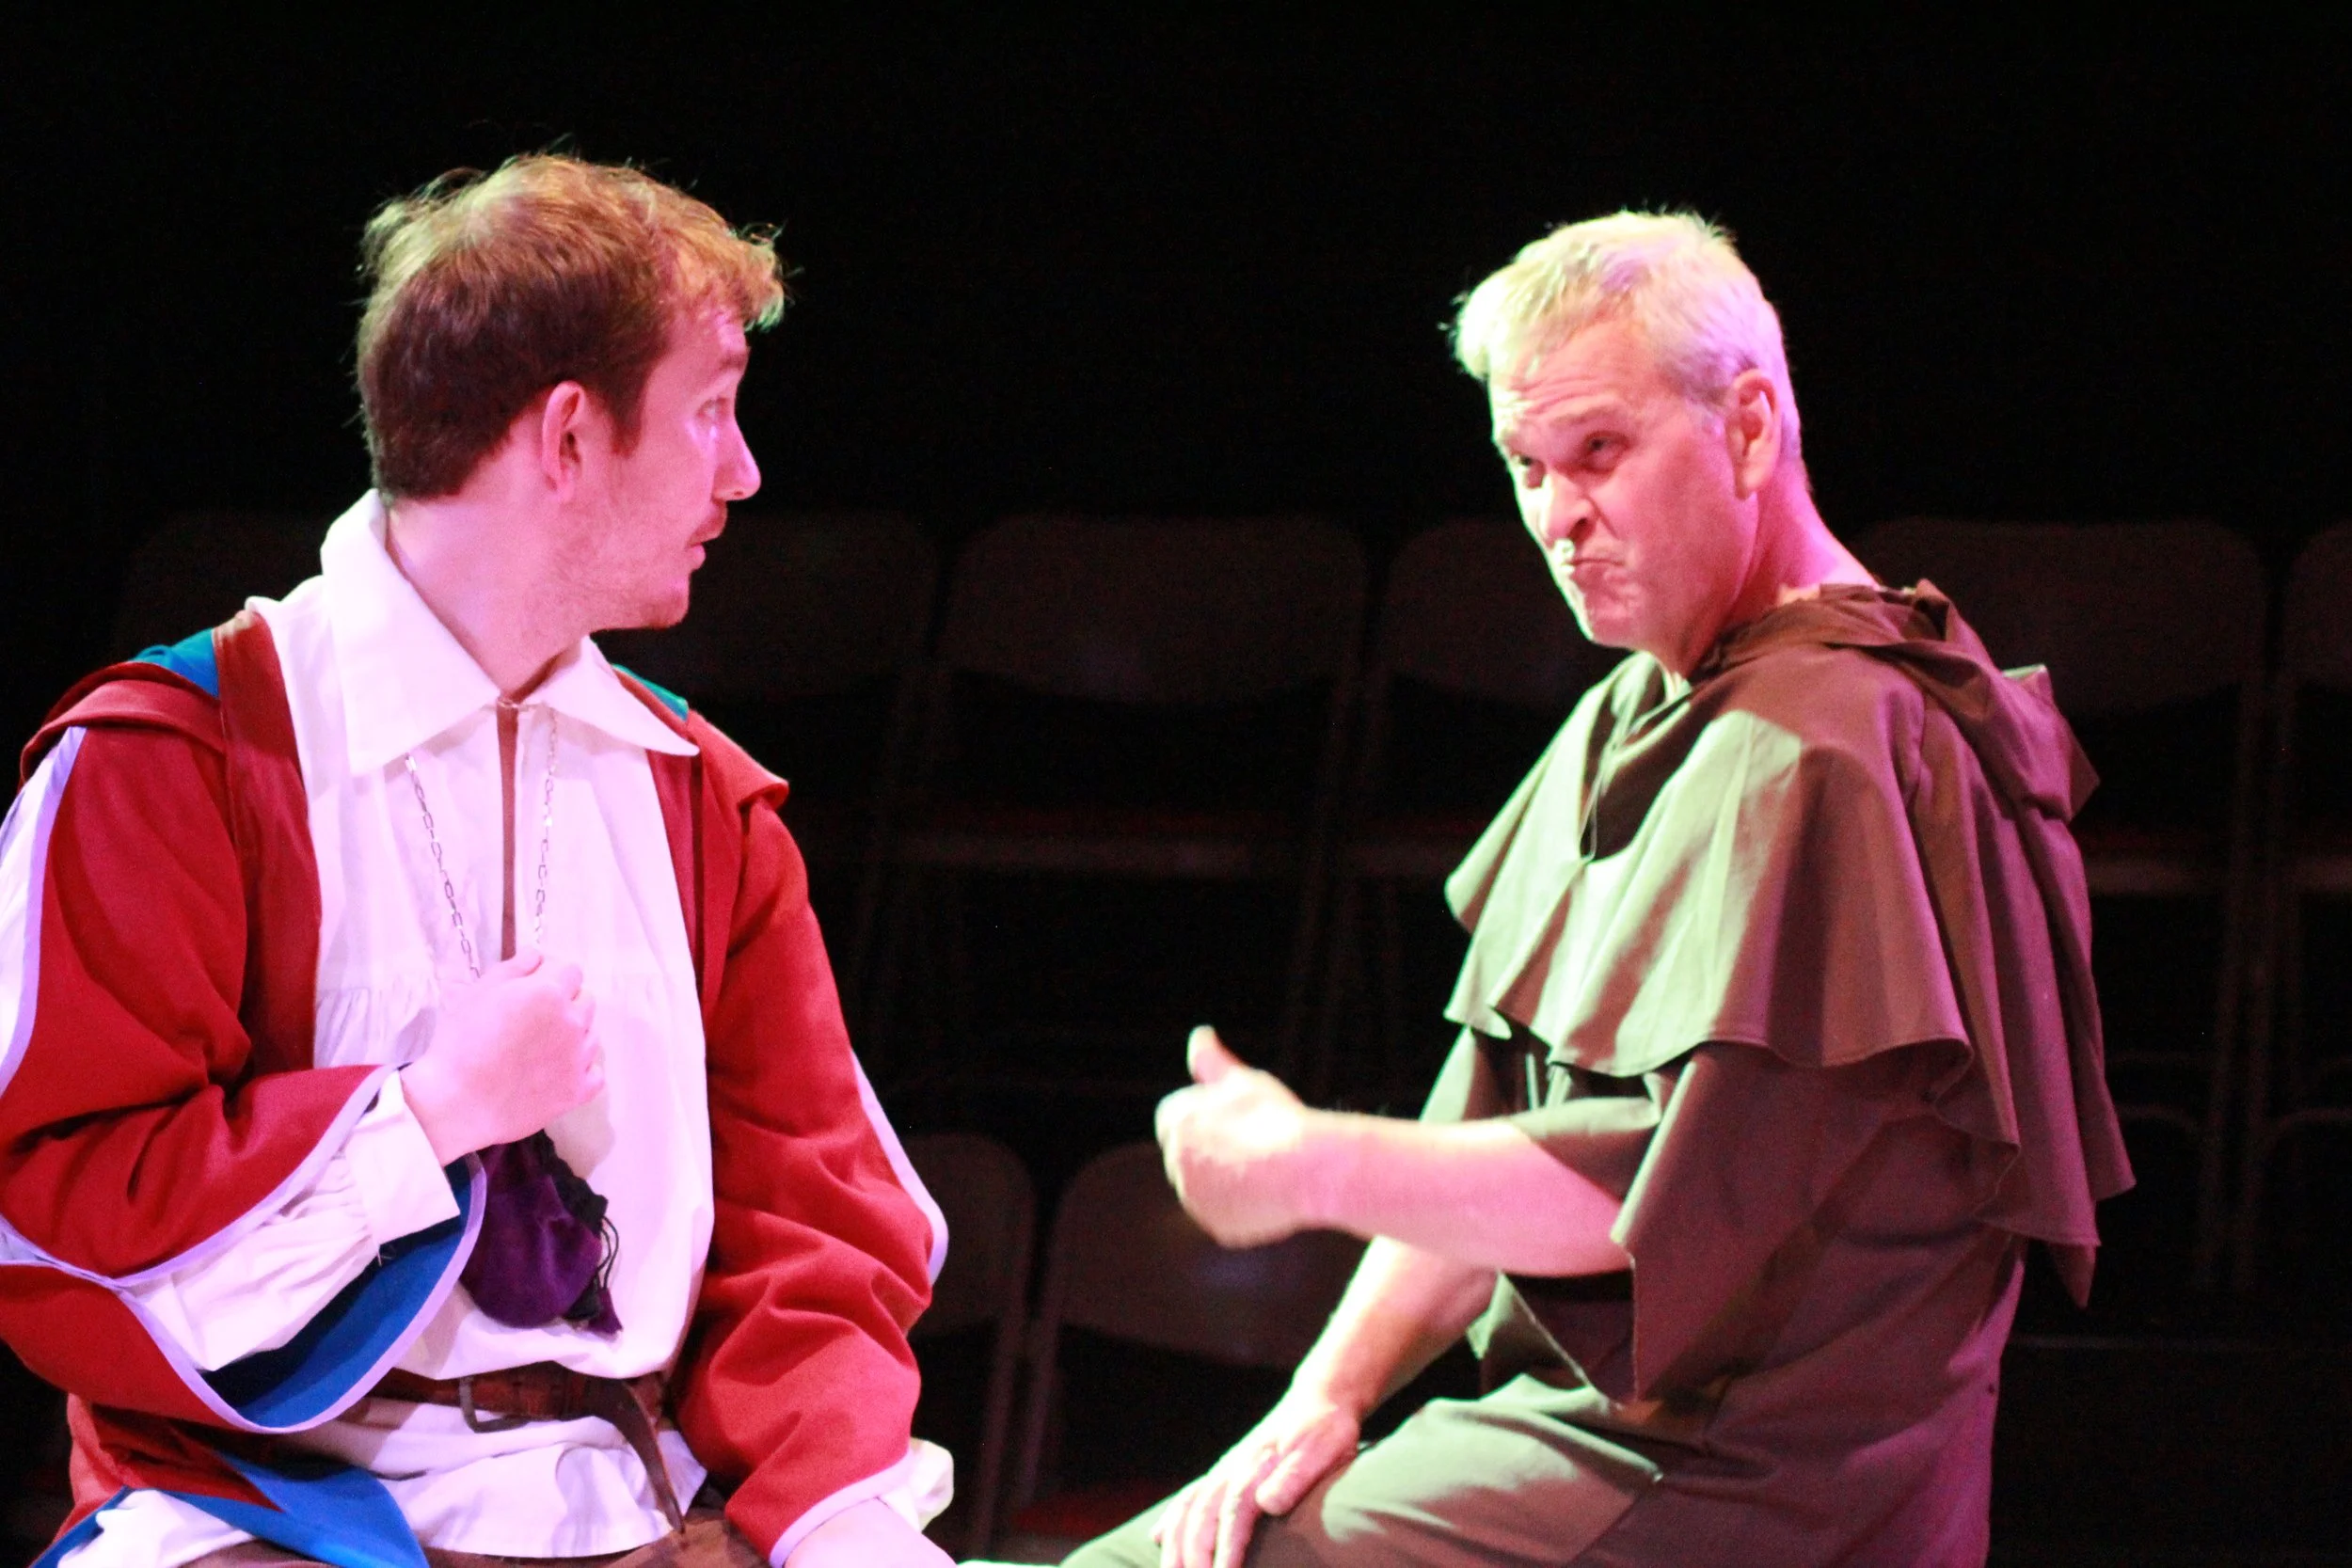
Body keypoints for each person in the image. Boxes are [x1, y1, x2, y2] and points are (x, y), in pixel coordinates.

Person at [1065, 213, 2134, 1568]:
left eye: (1600, 452)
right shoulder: (1639, 705)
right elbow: (1490, 1119)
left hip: (1741, 1481)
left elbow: (1639, 1202)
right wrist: (1326, 1392)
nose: (1558, 516)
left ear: (1749, 430)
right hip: (1598, 1434)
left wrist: (1310, 1165)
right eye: (1527, 466)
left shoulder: (1833, 745)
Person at [0, 154, 957, 1568]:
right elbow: (61, 1219)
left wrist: (835, 1519)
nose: (744, 471)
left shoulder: (705, 802)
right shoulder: (177, 763)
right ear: (568, 434)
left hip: (639, 1504)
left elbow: (812, 1221)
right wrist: (426, 1114)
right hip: (272, 1516)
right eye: (709, 410)